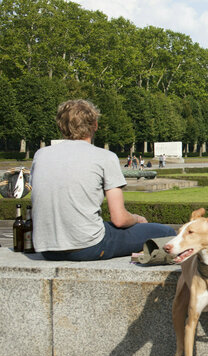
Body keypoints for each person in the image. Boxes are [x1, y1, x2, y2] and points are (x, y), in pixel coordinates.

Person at [31, 100, 176, 261]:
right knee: (166, 233)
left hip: (47, 249)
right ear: (95, 125)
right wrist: (137, 218)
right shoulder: (104, 157)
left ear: (61, 126)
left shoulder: (41, 155)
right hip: (88, 247)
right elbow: (119, 219)